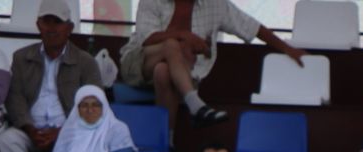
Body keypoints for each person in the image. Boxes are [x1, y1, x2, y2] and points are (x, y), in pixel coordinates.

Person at [119, 0, 304, 127]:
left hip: (182, 73)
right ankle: (197, 105)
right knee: (170, 45)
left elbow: (253, 27)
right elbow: (147, 39)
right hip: (139, 61)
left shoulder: (215, 4)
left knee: (163, 71)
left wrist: (288, 49)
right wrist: (185, 36)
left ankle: (166, 141)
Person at [0, 0, 101, 152]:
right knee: (5, 140)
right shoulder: (21, 57)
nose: (52, 28)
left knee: (88, 141)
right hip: (30, 130)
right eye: (47, 21)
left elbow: (95, 105)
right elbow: (14, 97)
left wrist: (62, 132)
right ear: (39, 25)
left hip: (70, 131)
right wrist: (29, 128)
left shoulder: (85, 61)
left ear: (69, 28)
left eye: (58, 22)